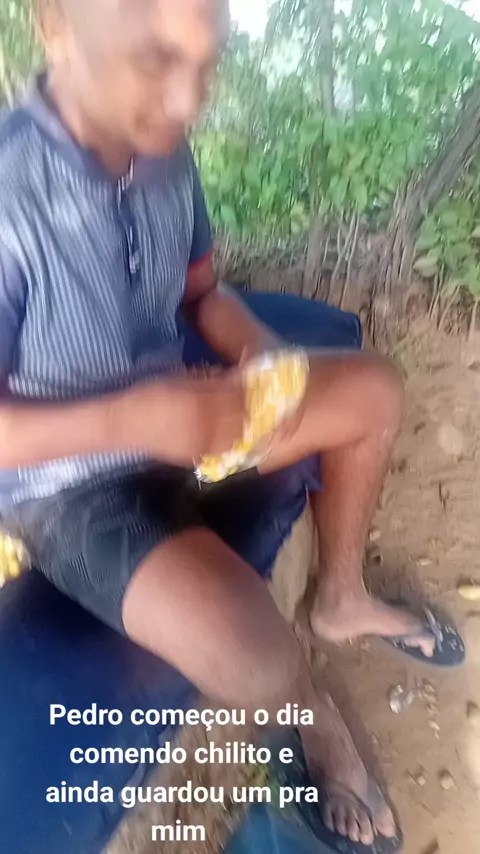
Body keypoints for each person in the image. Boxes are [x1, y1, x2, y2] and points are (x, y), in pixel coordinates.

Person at [0, 0, 463, 846]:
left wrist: (265, 364)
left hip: (188, 407)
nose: (186, 102)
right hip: (69, 486)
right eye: (152, 59)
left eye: (203, 65)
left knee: (373, 395)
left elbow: (203, 294)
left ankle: (341, 598)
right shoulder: (9, 192)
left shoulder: (165, 151)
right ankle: (313, 715)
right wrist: (138, 416)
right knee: (257, 657)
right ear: (56, 25)